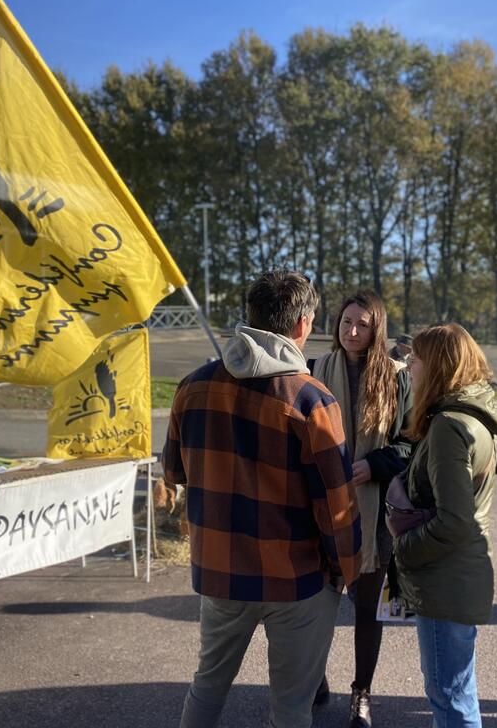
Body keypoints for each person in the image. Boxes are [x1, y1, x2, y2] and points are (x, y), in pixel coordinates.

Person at [162, 269, 362, 728]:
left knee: (207, 687)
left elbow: (174, 471)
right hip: (297, 579)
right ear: (302, 325)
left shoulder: (192, 386)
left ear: (249, 317)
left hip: (220, 573)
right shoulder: (312, 399)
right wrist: (343, 572)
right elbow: (337, 506)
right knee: (291, 708)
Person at [393, 323, 497, 728]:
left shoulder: (449, 425)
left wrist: (404, 549)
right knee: (457, 692)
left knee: (450, 697)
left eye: (415, 358)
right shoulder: (476, 415)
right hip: (461, 573)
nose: (408, 365)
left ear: (438, 366)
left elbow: (455, 520)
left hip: (447, 577)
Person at [310, 291, 412, 728]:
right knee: (315, 606)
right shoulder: (314, 372)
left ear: (377, 329)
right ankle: (313, 677)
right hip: (321, 508)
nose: (352, 332)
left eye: (363, 325)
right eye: (346, 322)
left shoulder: (397, 378)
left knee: (368, 611)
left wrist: (371, 465)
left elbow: (410, 444)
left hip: (375, 515)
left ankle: (361, 696)